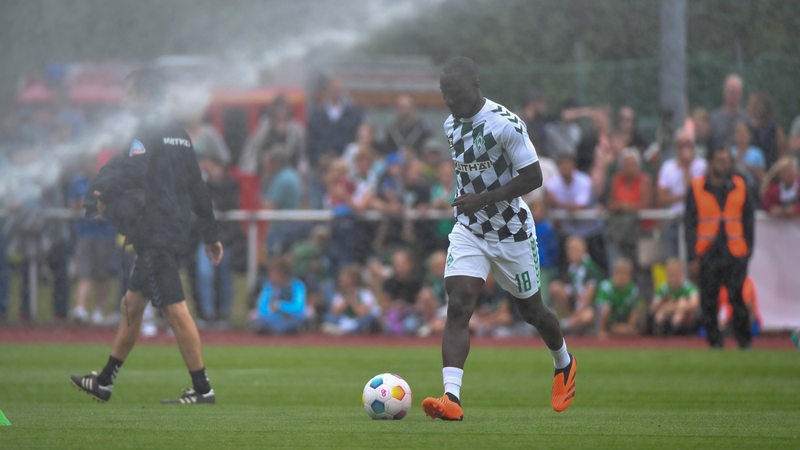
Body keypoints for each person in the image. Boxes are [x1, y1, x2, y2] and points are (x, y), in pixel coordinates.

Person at [421, 57, 576, 421]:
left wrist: (484, 198)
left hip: (511, 232)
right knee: (459, 304)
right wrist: (469, 203)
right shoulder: (450, 124)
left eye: (454, 94)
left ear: (475, 87)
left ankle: (564, 363)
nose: (449, 102)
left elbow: (534, 177)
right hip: (470, 228)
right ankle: (451, 398)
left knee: (532, 312)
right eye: (444, 95)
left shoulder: (506, 125)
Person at [70, 67, 224, 404]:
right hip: (174, 229)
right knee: (131, 304)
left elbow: (133, 170)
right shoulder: (180, 133)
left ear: (144, 94)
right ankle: (105, 381)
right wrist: (211, 234)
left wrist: (101, 193)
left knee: (174, 310)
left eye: (131, 92)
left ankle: (202, 390)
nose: (127, 98)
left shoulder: (145, 130)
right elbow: (197, 187)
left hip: (155, 232)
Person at [685, 146, 755, 349]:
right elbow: (689, 224)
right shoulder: (697, 187)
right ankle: (714, 341)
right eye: (719, 159)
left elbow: (748, 221)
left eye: (726, 160)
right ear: (710, 162)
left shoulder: (740, 185)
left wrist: (748, 251)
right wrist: (692, 257)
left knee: (737, 297)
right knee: (709, 299)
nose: (724, 164)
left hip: (734, 251)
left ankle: (744, 341)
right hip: (708, 251)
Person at [247, 256, 308, 334]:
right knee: (254, 316)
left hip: (291, 318)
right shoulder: (269, 286)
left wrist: (280, 306)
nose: (270, 277)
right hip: (273, 318)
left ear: (282, 274)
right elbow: (261, 307)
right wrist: (270, 310)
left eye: (273, 274)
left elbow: (299, 308)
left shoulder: (297, 285)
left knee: (306, 315)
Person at [649, 258, 699, 336]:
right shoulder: (663, 288)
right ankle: (661, 331)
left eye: (676, 273)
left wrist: (674, 307)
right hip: (668, 314)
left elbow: (695, 303)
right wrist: (664, 303)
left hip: (686, 317)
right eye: (671, 273)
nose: (674, 276)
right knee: (661, 312)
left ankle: (676, 329)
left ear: (682, 273)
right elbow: (653, 307)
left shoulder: (688, 287)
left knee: (682, 303)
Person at [595, 257, 642, 339]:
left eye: (625, 274)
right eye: (619, 273)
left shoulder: (633, 290)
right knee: (606, 310)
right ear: (614, 274)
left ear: (630, 276)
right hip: (605, 320)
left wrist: (630, 327)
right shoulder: (606, 288)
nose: (622, 277)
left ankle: (626, 331)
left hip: (623, 319)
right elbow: (604, 313)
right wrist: (602, 330)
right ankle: (605, 331)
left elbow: (635, 310)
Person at [709, 74, 750, 151]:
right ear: (724, 92)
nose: (733, 95)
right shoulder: (713, 119)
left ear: (741, 93)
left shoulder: (747, 119)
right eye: (731, 92)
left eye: (736, 92)